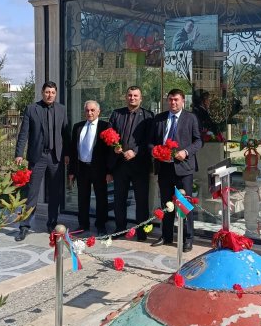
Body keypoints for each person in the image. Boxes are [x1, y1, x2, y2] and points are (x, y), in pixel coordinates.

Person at [14, 81, 70, 241]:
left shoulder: (62, 109)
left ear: (56, 94)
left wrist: (67, 154)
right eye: (47, 92)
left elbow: (65, 134)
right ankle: (24, 226)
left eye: (53, 92)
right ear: (42, 92)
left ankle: (52, 223)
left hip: (55, 158)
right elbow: (23, 133)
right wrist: (19, 154)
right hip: (37, 157)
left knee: (55, 193)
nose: (50, 95)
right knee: (32, 193)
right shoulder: (32, 109)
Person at [150, 89, 202, 252]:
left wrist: (185, 152)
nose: (173, 102)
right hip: (164, 167)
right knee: (166, 203)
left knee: (184, 204)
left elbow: (198, 141)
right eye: (171, 99)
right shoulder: (159, 118)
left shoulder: (190, 118)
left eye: (176, 100)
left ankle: (188, 238)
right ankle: (166, 236)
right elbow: (151, 142)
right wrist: (155, 151)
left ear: (183, 101)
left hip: (183, 168)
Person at [108, 86, 154, 241]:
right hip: (120, 164)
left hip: (139, 164)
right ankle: (120, 229)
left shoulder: (148, 116)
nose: (132, 98)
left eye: (135, 96)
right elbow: (109, 133)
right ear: (126, 97)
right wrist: (114, 146)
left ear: (141, 98)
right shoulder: (117, 114)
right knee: (119, 199)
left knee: (141, 200)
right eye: (130, 95)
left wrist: (135, 151)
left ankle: (141, 232)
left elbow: (150, 140)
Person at [68, 100, 111, 234]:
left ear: (98, 112)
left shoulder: (105, 127)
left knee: (101, 198)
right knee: (82, 198)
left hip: (99, 168)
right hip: (82, 168)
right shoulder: (78, 127)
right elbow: (73, 150)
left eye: (92, 110)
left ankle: (101, 225)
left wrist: (109, 171)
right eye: (87, 110)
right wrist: (71, 171)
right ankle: (83, 224)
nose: (89, 113)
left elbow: (109, 152)